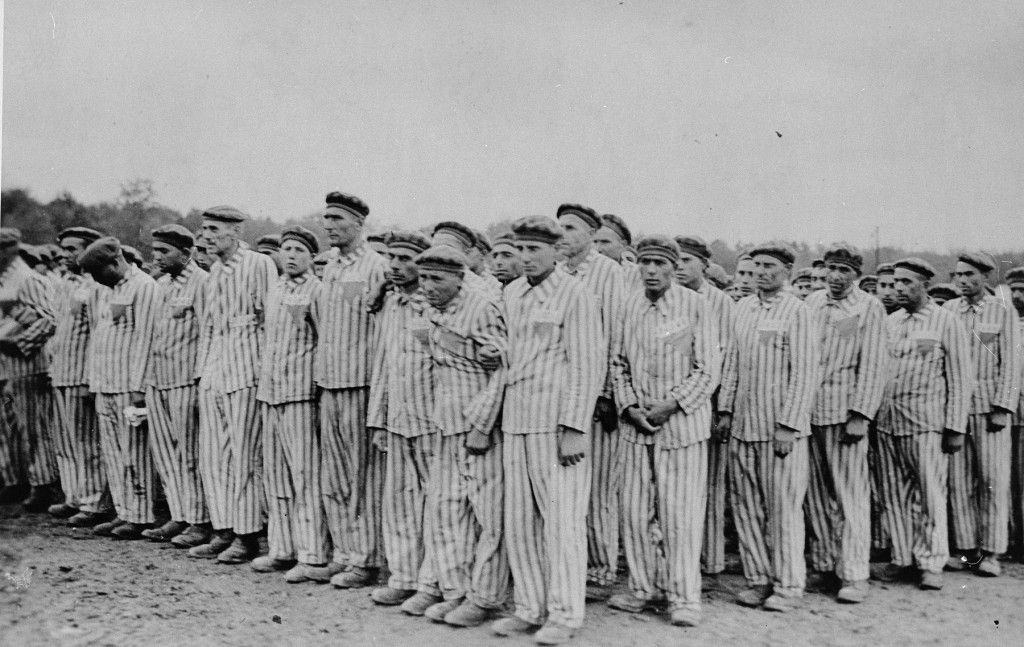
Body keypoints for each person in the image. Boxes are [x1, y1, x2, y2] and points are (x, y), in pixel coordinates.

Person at [493, 215, 603, 645]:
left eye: (533, 250)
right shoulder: (512, 292)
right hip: (517, 421)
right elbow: (507, 356)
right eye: (519, 249)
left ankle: (565, 613)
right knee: (519, 522)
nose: (525, 258)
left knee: (561, 522)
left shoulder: (576, 294)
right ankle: (529, 607)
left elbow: (587, 364)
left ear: (556, 251)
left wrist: (575, 426)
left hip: (555, 424)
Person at [608, 235, 719, 628]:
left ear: (674, 267)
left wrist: (673, 402)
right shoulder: (627, 305)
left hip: (681, 428)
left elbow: (709, 369)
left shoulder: (696, 306)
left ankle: (683, 596)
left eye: (660, 263)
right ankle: (642, 587)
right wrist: (629, 406)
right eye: (645, 263)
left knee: (680, 515)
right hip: (637, 428)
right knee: (636, 513)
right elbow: (617, 364)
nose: (651, 270)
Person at [717, 242, 820, 612]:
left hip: (779, 429)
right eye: (756, 265)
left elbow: (805, 371)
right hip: (744, 424)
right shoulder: (742, 308)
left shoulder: (798, 311)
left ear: (787, 271)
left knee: (783, 509)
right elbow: (731, 361)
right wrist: (725, 410)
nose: (761, 272)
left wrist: (789, 424)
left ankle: (788, 585)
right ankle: (758, 578)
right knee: (746, 507)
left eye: (769, 266)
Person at [416, 245, 510, 627]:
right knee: (447, 509)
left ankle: (486, 598)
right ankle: (455, 592)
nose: (428, 286)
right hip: (446, 423)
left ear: (459, 277)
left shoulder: (482, 308)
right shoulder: (431, 309)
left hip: (477, 427)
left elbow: (500, 370)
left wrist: (482, 426)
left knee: (488, 516)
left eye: (437, 278)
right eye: (424, 278)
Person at [873, 258, 972, 591]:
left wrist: (956, 427)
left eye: (906, 282)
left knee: (930, 493)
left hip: (927, 422)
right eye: (895, 281)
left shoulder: (947, 322)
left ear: (924, 285)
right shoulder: (891, 321)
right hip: (889, 421)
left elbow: (960, 378)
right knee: (893, 495)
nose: (899, 288)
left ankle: (930, 562)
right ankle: (901, 558)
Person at [803, 243, 888, 604]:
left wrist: (861, 414)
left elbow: (873, 364)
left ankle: (854, 573)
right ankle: (825, 565)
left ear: (856, 274)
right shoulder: (811, 304)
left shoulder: (869, 307)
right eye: (831, 270)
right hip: (807, 412)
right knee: (816, 494)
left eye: (844, 271)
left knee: (850, 494)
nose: (835, 277)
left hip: (844, 413)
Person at [192, 205, 277, 563]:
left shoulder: (259, 265)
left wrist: (266, 374)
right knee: (213, 455)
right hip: (216, 373)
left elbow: (271, 322)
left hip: (247, 372)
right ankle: (223, 529)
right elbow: (209, 327)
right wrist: (202, 374)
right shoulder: (212, 273)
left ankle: (247, 536)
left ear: (236, 232)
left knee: (244, 457)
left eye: (214, 229)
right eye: (205, 229)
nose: (207, 236)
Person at [251, 226, 336, 583]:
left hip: (301, 394)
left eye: (299, 250)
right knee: (276, 473)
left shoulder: (318, 290)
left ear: (311, 257)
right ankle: (281, 548)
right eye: (286, 248)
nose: (290, 255)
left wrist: (314, 386)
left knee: (305, 475)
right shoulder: (275, 290)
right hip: (270, 392)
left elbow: (324, 341)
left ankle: (312, 554)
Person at [365, 231, 442, 613]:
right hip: (398, 418)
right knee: (399, 504)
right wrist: (378, 419)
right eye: (391, 258)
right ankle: (404, 578)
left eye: (405, 259)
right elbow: (383, 363)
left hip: (432, 419)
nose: (395, 265)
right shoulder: (390, 303)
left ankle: (434, 582)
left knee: (437, 505)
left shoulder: (436, 302)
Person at [315, 191, 389, 588]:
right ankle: (343, 553)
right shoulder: (329, 267)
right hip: (330, 383)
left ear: (359, 224)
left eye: (337, 219)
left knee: (363, 479)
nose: (329, 226)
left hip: (361, 383)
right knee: (336, 476)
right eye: (326, 219)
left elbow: (382, 333)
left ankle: (366, 558)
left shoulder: (377, 266)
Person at [555, 202, 626, 602]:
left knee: (599, 487)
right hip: (561, 392)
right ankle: (572, 563)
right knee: (566, 485)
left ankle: (601, 569)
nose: (562, 234)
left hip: (597, 397)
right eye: (559, 227)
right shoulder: (559, 272)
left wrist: (607, 394)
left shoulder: (608, 273)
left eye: (570, 228)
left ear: (589, 233)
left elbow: (615, 335)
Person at [944, 252, 1021, 577]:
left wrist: (1004, 406)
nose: (962, 280)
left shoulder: (1001, 310)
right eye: (958, 275)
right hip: (955, 408)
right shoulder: (948, 310)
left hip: (990, 407)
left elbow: (1011, 363)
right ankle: (967, 549)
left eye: (969, 274)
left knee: (992, 479)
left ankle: (991, 551)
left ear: (986, 277)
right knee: (959, 481)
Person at [78, 237, 159, 539]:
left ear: (115, 262)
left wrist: (139, 388)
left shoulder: (145, 286)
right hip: (105, 382)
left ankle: (140, 515)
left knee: (133, 452)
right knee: (112, 452)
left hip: (129, 383)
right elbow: (97, 335)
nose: (96, 279)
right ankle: (123, 511)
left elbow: (146, 338)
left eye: (99, 272)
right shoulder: (102, 289)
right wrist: (92, 380)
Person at [142, 225, 211, 547]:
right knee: (166, 454)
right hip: (158, 379)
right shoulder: (160, 285)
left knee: (190, 454)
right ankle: (179, 515)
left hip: (185, 381)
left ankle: (200, 520)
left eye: (164, 251)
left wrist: (200, 383)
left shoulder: (202, 283)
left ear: (186, 253)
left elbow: (208, 335)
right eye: (155, 251)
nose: (157, 257)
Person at [672, 235, 734, 580]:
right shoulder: (671, 298)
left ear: (703, 266)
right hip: (676, 398)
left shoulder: (718, 301)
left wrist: (722, 408)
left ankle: (710, 560)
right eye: (676, 261)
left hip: (707, 398)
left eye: (687, 261)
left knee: (709, 481)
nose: (680, 267)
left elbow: (723, 355)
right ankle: (681, 556)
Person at [47, 227, 109, 526]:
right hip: (60, 372)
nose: (64, 254)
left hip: (79, 375)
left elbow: (97, 334)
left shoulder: (93, 285)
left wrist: (89, 378)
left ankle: (93, 501)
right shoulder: (64, 284)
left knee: (86, 442)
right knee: (67, 442)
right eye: (64, 248)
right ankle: (74, 496)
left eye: (72, 249)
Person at [0, 228, 59, 510]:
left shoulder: (27, 279)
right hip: (4, 366)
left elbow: (49, 319)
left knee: (33, 427)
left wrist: (20, 343)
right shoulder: (4, 280)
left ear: (9, 250)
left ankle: (41, 484)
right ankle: (16, 480)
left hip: (26, 365)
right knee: (8, 425)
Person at [431, 221, 500, 300]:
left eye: (447, 247)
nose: (437, 253)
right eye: (434, 247)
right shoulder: (426, 281)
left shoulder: (480, 288)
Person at [1007, 266, 1024, 559]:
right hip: (1010, 413)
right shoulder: (1007, 322)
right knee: (1009, 479)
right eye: (1014, 290)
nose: (1019, 296)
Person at [595, 214, 642, 291]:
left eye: (605, 242)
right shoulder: (583, 272)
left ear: (623, 245)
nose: (597, 249)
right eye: (594, 242)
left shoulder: (636, 275)